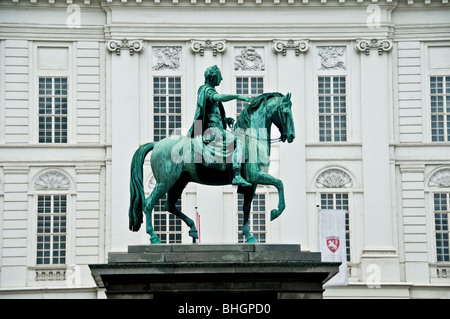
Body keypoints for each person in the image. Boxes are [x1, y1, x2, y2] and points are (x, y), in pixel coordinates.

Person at [188, 65, 252, 187]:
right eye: (219, 76)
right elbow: (217, 98)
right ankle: (237, 175)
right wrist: (238, 96)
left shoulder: (209, 90)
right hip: (211, 129)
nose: (221, 79)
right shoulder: (206, 89)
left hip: (216, 127)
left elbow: (212, 113)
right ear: (212, 77)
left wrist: (224, 119)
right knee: (240, 140)